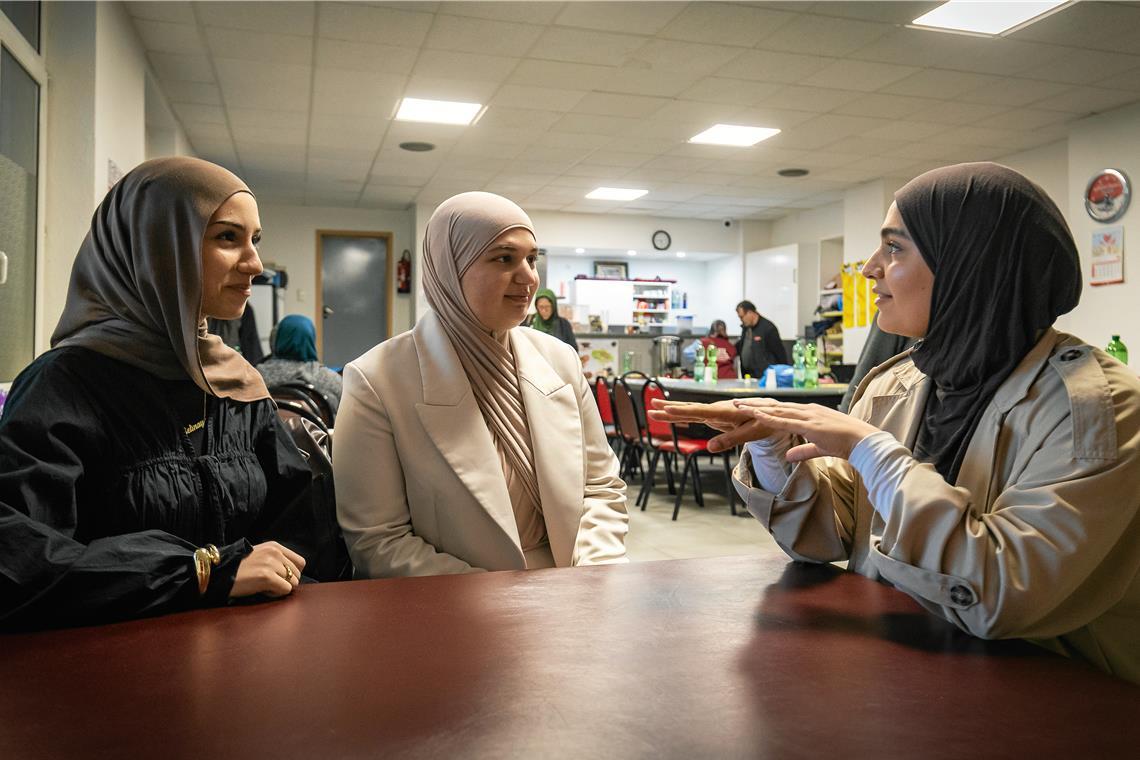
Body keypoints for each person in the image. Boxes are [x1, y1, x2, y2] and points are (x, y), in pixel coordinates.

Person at [650, 163, 1140, 683]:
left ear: (969, 264)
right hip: (902, 686)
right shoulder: (899, 383)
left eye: (896, 248)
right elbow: (829, 536)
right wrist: (775, 449)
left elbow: (1002, 595)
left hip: (1052, 709)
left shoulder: (1097, 411)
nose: (868, 269)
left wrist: (873, 452)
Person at [0, 157, 328, 628]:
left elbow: (299, 536)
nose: (255, 264)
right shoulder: (64, 387)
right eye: (227, 238)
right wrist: (197, 572)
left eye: (255, 240)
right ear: (156, 247)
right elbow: (18, 558)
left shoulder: (236, 384)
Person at [334, 191, 628, 577]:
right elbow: (378, 540)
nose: (528, 278)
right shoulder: (377, 381)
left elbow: (601, 486)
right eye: (504, 258)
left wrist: (591, 574)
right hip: (458, 608)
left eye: (531, 259)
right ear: (449, 269)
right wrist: (500, 600)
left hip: (575, 589)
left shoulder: (560, 361)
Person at [257, 314, 343, 415]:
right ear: (311, 340)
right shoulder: (331, 380)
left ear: (276, 339)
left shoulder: (257, 376)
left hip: (268, 431)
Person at [735, 300, 788, 379]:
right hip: (748, 376)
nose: (741, 320)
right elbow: (741, 346)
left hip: (764, 376)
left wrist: (784, 374)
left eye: (742, 317)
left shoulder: (768, 328)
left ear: (750, 313)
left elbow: (779, 353)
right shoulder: (746, 328)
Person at [526, 287, 578, 352]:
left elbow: (573, 350)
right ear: (536, 306)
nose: (544, 310)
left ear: (553, 306)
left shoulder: (563, 324)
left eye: (547, 306)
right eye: (541, 307)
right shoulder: (528, 321)